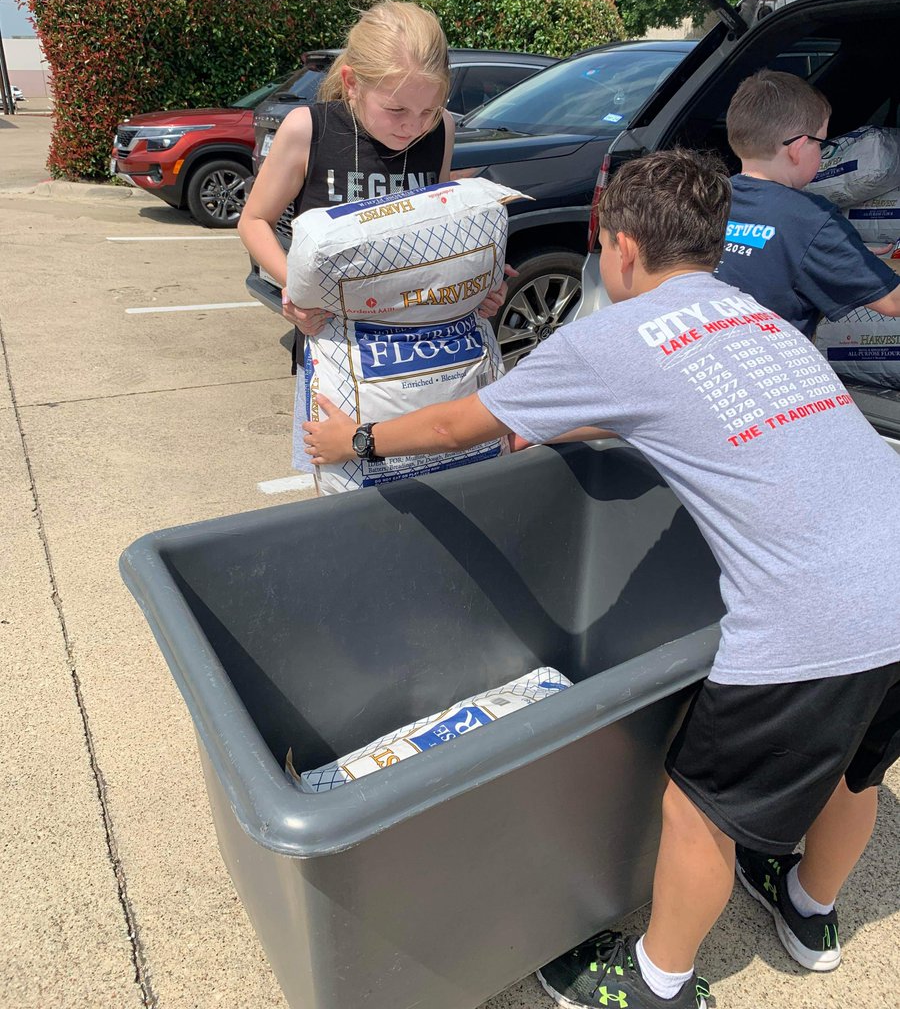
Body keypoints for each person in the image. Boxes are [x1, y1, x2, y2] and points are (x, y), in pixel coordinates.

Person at [302, 147, 900, 1009]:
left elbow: (449, 425)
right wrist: (552, 422)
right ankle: (811, 912)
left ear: (620, 248)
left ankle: (658, 985)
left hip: (816, 615)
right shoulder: (751, 315)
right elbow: (665, 408)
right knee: (854, 773)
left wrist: (351, 441)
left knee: (700, 807)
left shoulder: (618, 334)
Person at [237, 0, 510, 482]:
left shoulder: (439, 130)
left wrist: (477, 279)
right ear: (352, 84)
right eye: (396, 109)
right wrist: (293, 290)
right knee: (342, 491)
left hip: (426, 354)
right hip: (340, 353)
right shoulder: (309, 129)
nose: (413, 126)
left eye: (429, 109)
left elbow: (435, 225)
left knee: (425, 475)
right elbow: (254, 220)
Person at [716, 68, 900, 338]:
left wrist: (846, 256)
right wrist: (831, 245)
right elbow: (893, 302)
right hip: (772, 369)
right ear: (798, 148)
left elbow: (768, 254)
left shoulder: (708, 200)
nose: (822, 151)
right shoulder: (811, 219)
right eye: (821, 143)